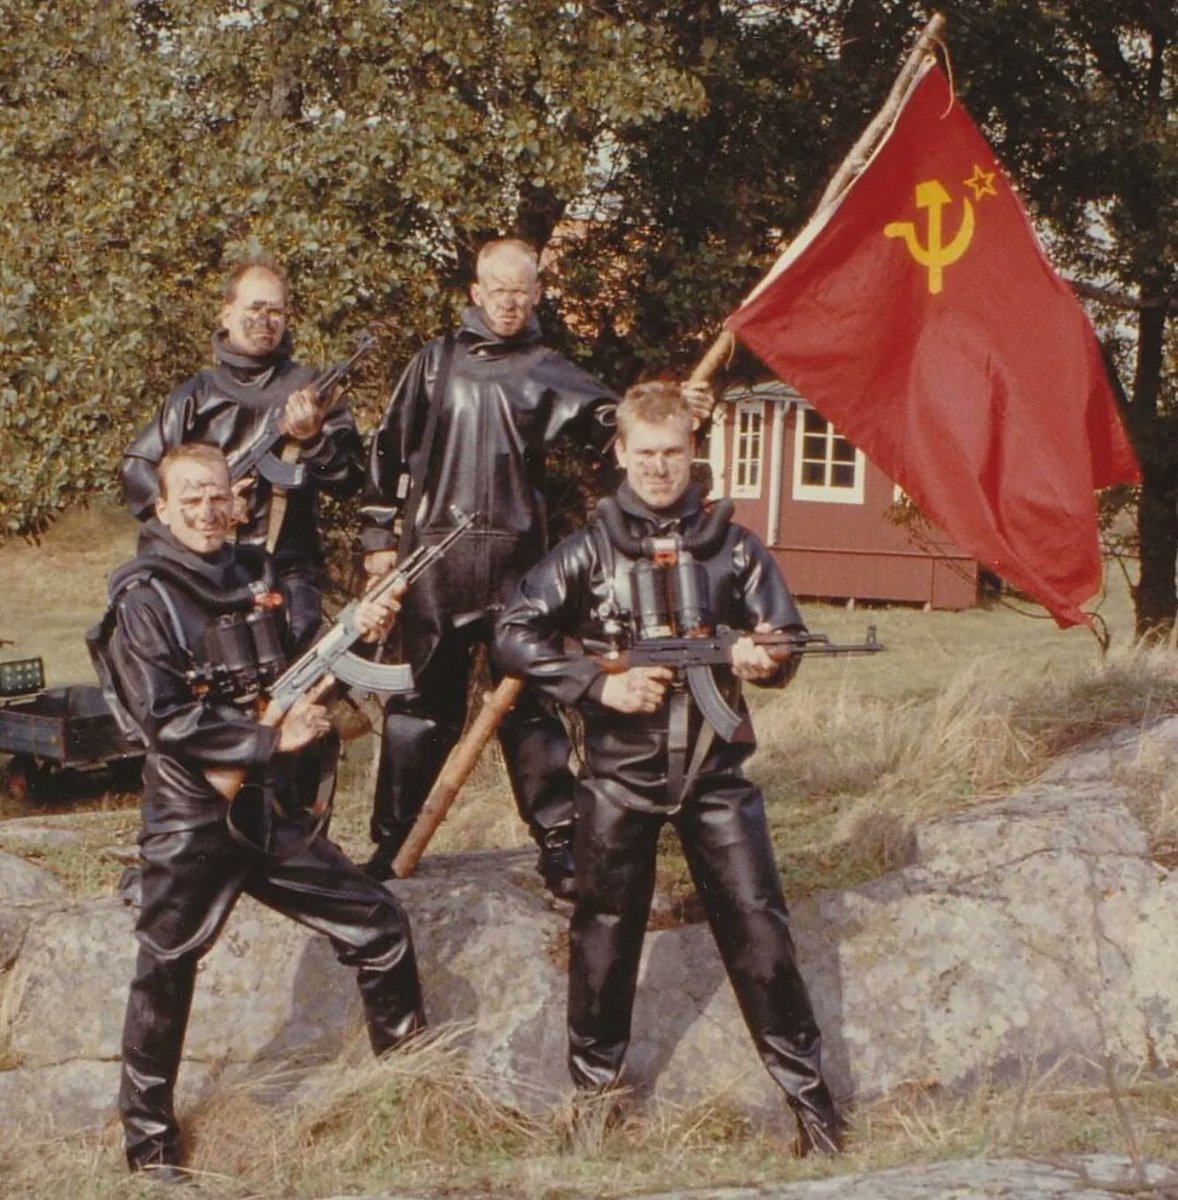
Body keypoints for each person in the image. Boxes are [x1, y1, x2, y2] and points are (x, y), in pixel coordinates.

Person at [494, 382, 846, 1155]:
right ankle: (592, 1104)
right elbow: (514, 633)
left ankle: (812, 1106)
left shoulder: (735, 546)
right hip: (617, 782)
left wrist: (765, 660)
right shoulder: (585, 552)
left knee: (761, 933)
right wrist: (597, 683)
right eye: (645, 453)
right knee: (602, 942)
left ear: (694, 454)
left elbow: (782, 631)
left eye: (673, 453)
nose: (659, 468)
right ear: (620, 453)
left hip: (716, 781)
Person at [95, 444, 425, 1183]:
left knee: (379, 924)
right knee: (165, 970)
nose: (210, 510)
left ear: (238, 501)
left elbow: (299, 673)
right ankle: (149, 1151)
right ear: (161, 507)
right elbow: (163, 720)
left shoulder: (255, 574)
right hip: (194, 814)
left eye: (220, 496)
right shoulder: (141, 597)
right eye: (193, 498)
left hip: (271, 810)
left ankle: (412, 1088)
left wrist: (360, 633)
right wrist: (266, 736)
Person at [357, 237, 622, 895]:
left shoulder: (549, 368)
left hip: (518, 570)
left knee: (531, 706)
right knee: (420, 709)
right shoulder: (434, 364)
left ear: (536, 294)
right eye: (496, 288)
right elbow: (386, 450)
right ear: (475, 293)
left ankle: (561, 843)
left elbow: (619, 427)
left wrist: (668, 415)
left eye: (520, 289)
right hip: (433, 564)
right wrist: (376, 538)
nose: (507, 301)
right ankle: (391, 844)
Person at [122, 258, 365, 652]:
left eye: (275, 311)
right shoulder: (195, 395)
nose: (264, 320)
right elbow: (137, 469)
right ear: (227, 314)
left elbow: (351, 479)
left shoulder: (310, 391)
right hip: (202, 571)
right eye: (254, 308)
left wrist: (314, 439)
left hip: (286, 572)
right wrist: (208, 510)